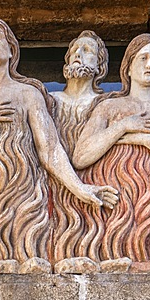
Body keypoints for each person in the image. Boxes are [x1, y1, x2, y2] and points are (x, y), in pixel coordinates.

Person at [0, 18, 118, 273]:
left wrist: (79, 187)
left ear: (12, 50)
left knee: (19, 259)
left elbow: (49, 149)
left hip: (18, 197)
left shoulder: (28, 94)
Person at [72, 34, 150, 273]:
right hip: (115, 204)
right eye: (142, 58)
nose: (149, 65)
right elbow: (81, 156)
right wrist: (123, 126)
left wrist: (144, 139)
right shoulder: (108, 107)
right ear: (128, 68)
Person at [49, 31, 110, 270]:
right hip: (54, 184)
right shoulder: (49, 99)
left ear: (100, 66)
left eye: (87, 51)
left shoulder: (109, 103)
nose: (78, 55)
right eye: (74, 51)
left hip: (95, 181)